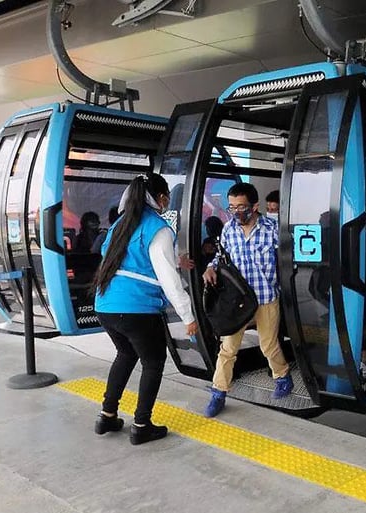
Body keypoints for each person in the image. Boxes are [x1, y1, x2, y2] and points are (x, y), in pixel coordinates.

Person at [93, 174, 197, 445]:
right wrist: (188, 316)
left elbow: (132, 258)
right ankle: (141, 425)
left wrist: (177, 260)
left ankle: (107, 415)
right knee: (153, 362)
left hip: (105, 305)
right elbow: (168, 279)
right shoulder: (158, 227)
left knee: (125, 354)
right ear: (160, 198)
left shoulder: (120, 224)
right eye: (167, 197)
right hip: (136, 309)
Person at [203, 183, 292, 417]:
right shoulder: (228, 229)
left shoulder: (272, 229)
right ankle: (218, 393)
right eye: (232, 207)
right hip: (238, 300)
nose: (236, 212)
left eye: (241, 207)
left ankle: (282, 376)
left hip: (265, 297)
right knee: (228, 349)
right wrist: (211, 267)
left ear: (254, 206)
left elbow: (287, 259)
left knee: (268, 345)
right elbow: (221, 257)